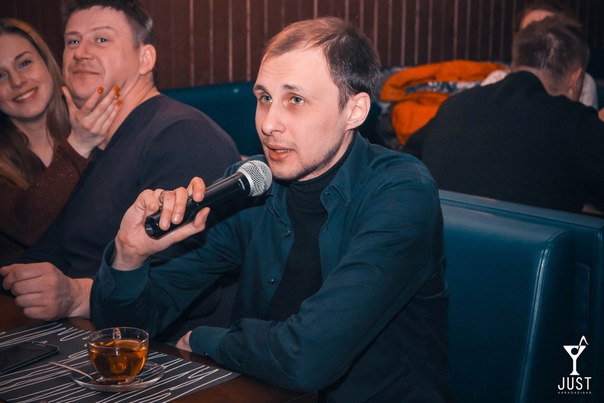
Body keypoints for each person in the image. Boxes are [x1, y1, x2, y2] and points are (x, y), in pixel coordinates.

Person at [89, 16, 453, 401]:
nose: (269, 124)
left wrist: (205, 340)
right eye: (265, 98)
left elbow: (309, 356)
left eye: (295, 100)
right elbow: (124, 332)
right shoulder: (250, 187)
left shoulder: (401, 191)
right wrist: (128, 257)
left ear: (354, 111)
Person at [0, 0, 240, 321]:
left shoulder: (181, 133)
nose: (80, 52)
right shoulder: (93, 147)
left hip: (154, 343)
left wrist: (77, 294)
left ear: (145, 59)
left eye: (101, 39)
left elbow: (177, 283)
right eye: (73, 41)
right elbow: (49, 250)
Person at [404, 16, 604, 214]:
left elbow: (403, 165)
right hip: (529, 236)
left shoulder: (455, 105)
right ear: (576, 79)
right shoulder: (578, 123)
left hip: (440, 230)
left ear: (514, 63)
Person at [0, 18, 118, 266]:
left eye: (24, 63)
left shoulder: (93, 123)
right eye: (0, 75)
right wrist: (78, 145)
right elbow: (27, 224)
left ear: (47, 63)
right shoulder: (82, 137)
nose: (17, 81)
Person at [481, 1, 599, 109]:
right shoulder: (498, 79)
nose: (540, 38)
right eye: (529, 31)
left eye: (551, 31)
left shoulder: (582, 83)